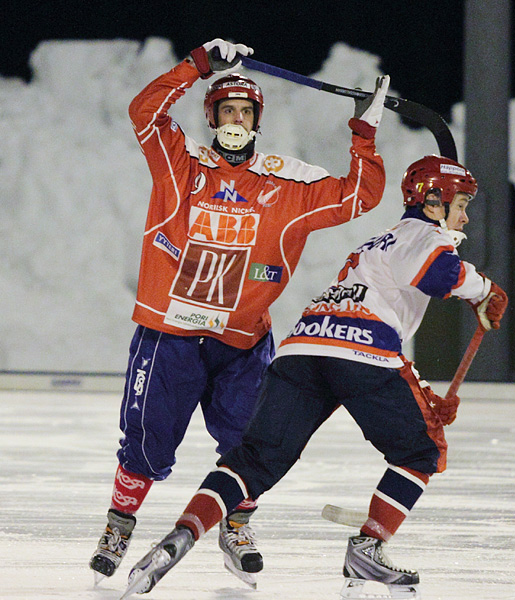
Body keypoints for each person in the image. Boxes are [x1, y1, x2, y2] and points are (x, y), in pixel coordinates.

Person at [120, 155, 509, 599]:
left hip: (302, 347)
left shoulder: (377, 242)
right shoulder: (425, 235)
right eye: (461, 204)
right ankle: (369, 548)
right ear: (433, 201)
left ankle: (183, 534)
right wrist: (485, 289)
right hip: (361, 349)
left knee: (255, 460)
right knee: (422, 450)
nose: (464, 216)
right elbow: (439, 275)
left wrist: (417, 386)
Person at [89, 38, 390, 586]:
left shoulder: (286, 183)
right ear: (210, 117)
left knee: (247, 440)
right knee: (147, 439)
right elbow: (144, 112)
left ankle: (236, 525)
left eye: (244, 112)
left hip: (242, 342)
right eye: (226, 110)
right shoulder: (180, 167)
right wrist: (197, 65)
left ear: (257, 122)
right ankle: (120, 520)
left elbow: (357, 198)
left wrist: (364, 135)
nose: (235, 119)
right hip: (169, 336)